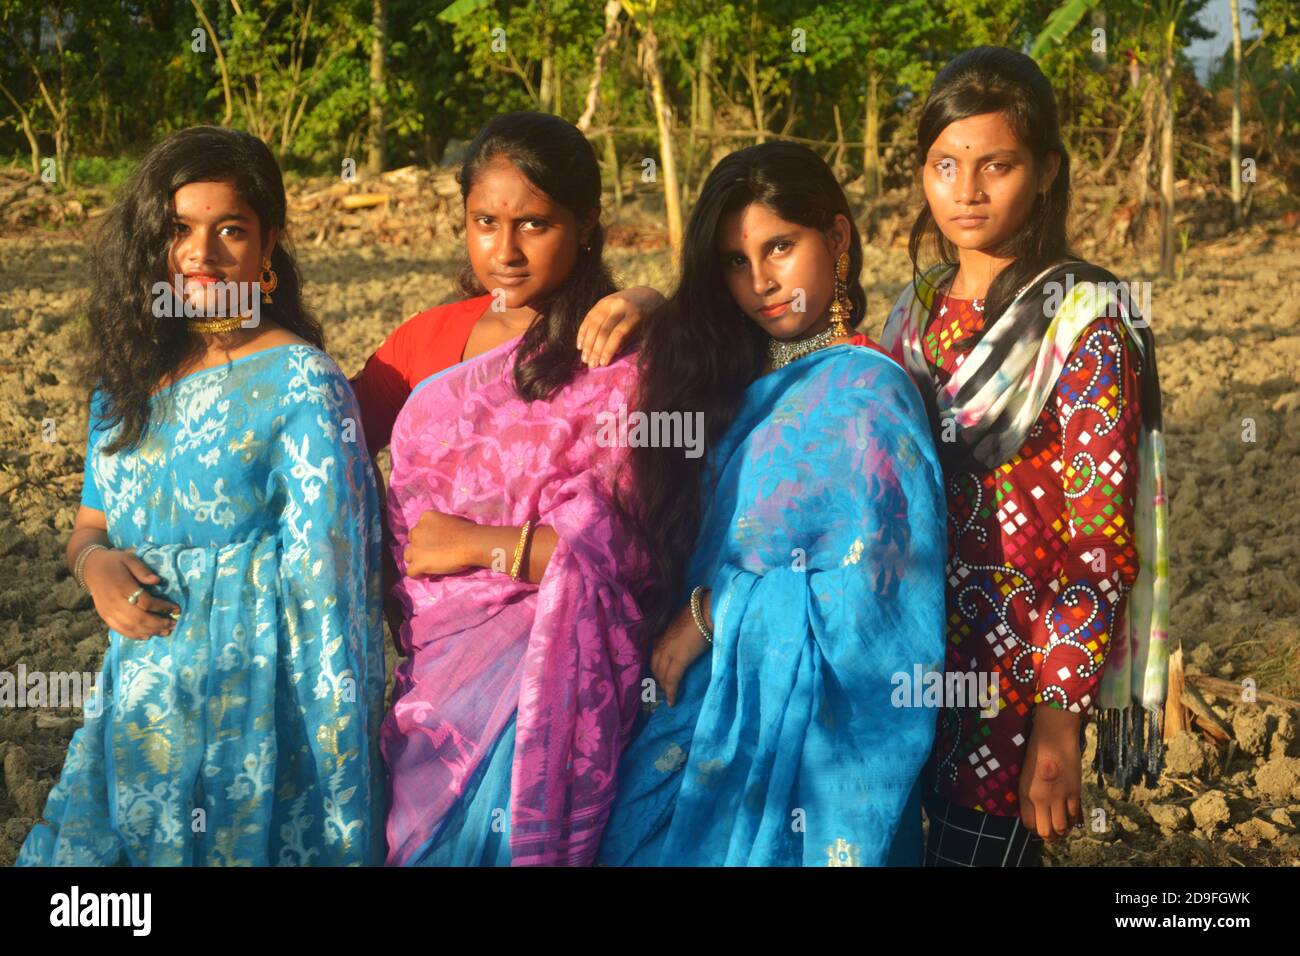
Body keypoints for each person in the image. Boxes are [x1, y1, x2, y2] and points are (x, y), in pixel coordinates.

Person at [16, 126, 386, 867]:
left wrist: (335, 770)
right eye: (180, 229)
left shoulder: (302, 384)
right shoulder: (123, 385)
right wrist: (95, 570)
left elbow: (331, 591)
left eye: (231, 230)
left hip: (252, 719)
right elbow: (89, 527)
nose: (202, 254)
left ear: (268, 246)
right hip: (143, 703)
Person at [598, 142, 947, 867]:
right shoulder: (727, 378)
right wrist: (646, 301)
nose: (760, 281)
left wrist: (714, 614)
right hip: (688, 711)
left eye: (780, 247)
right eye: (734, 260)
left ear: (839, 239)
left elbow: (877, 611)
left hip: (805, 750)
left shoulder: (868, 395)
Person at [880, 47, 1169, 867]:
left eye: (995, 166)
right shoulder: (916, 311)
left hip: (1018, 682)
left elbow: (1099, 543)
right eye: (944, 165)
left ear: (1045, 170)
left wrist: (1057, 718)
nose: (965, 192)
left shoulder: (1083, 325)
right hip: (909, 663)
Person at [381, 111, 653, 867]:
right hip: (436, 678)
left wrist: (475, 545)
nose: (503, 250)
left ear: (585, 224)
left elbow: (630, 549)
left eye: (533, 224)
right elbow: (314, 434)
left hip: (556, 671)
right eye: (484, 221)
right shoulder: (428, 339)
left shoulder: (622, 352)